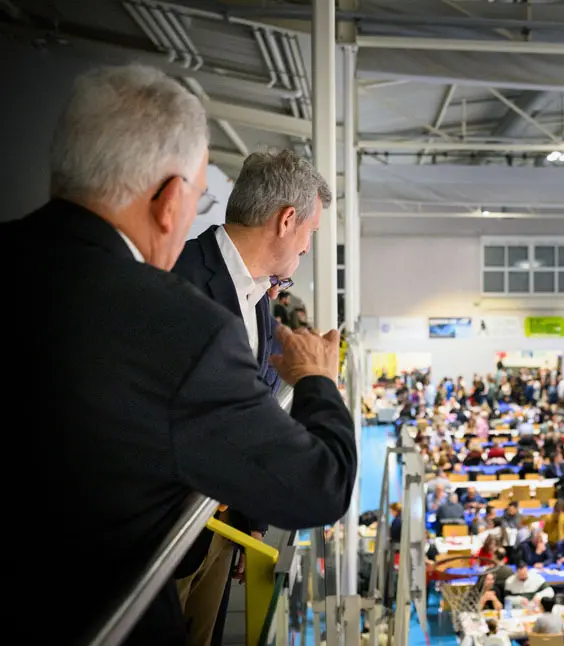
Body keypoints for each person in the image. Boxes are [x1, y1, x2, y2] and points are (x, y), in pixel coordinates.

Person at [2, 64, 357, 645]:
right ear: (170, 200)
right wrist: (318, 381)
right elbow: (322, 485)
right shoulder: (177, 322)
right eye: (195, 199)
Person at [171, 148, 330, 646]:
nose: (306, 250)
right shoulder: (183, 279)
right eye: (310, 236)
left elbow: (250, 414)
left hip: (223, 531)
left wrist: (250, 519)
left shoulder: (258, 296)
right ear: (287, 220)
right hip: (169, 538)